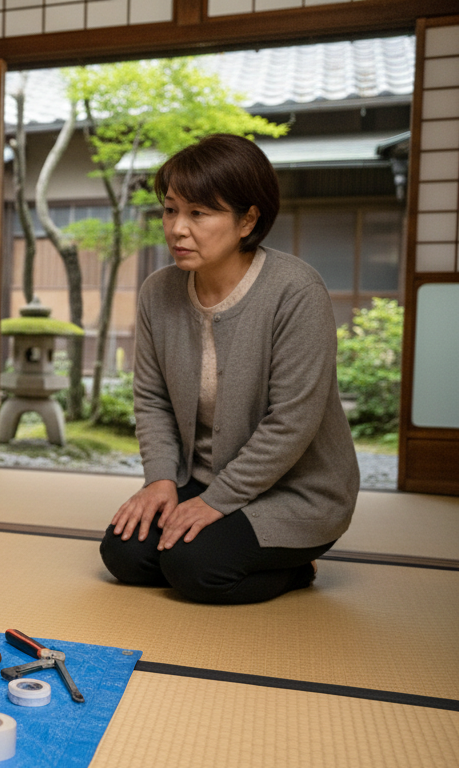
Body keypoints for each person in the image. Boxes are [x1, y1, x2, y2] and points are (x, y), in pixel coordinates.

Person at [100, 133, 359, 604]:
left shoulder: (295, 291)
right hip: (204, 477)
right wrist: (160, 480)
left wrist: (216, 502)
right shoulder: (158, 293)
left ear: (248, 220)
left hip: (296, 489)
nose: (178, 228)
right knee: (125, 554)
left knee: (193, 567)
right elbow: (151, 399)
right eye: (171, 209)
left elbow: (292, 422)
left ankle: (298, 568)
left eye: (199, 213)